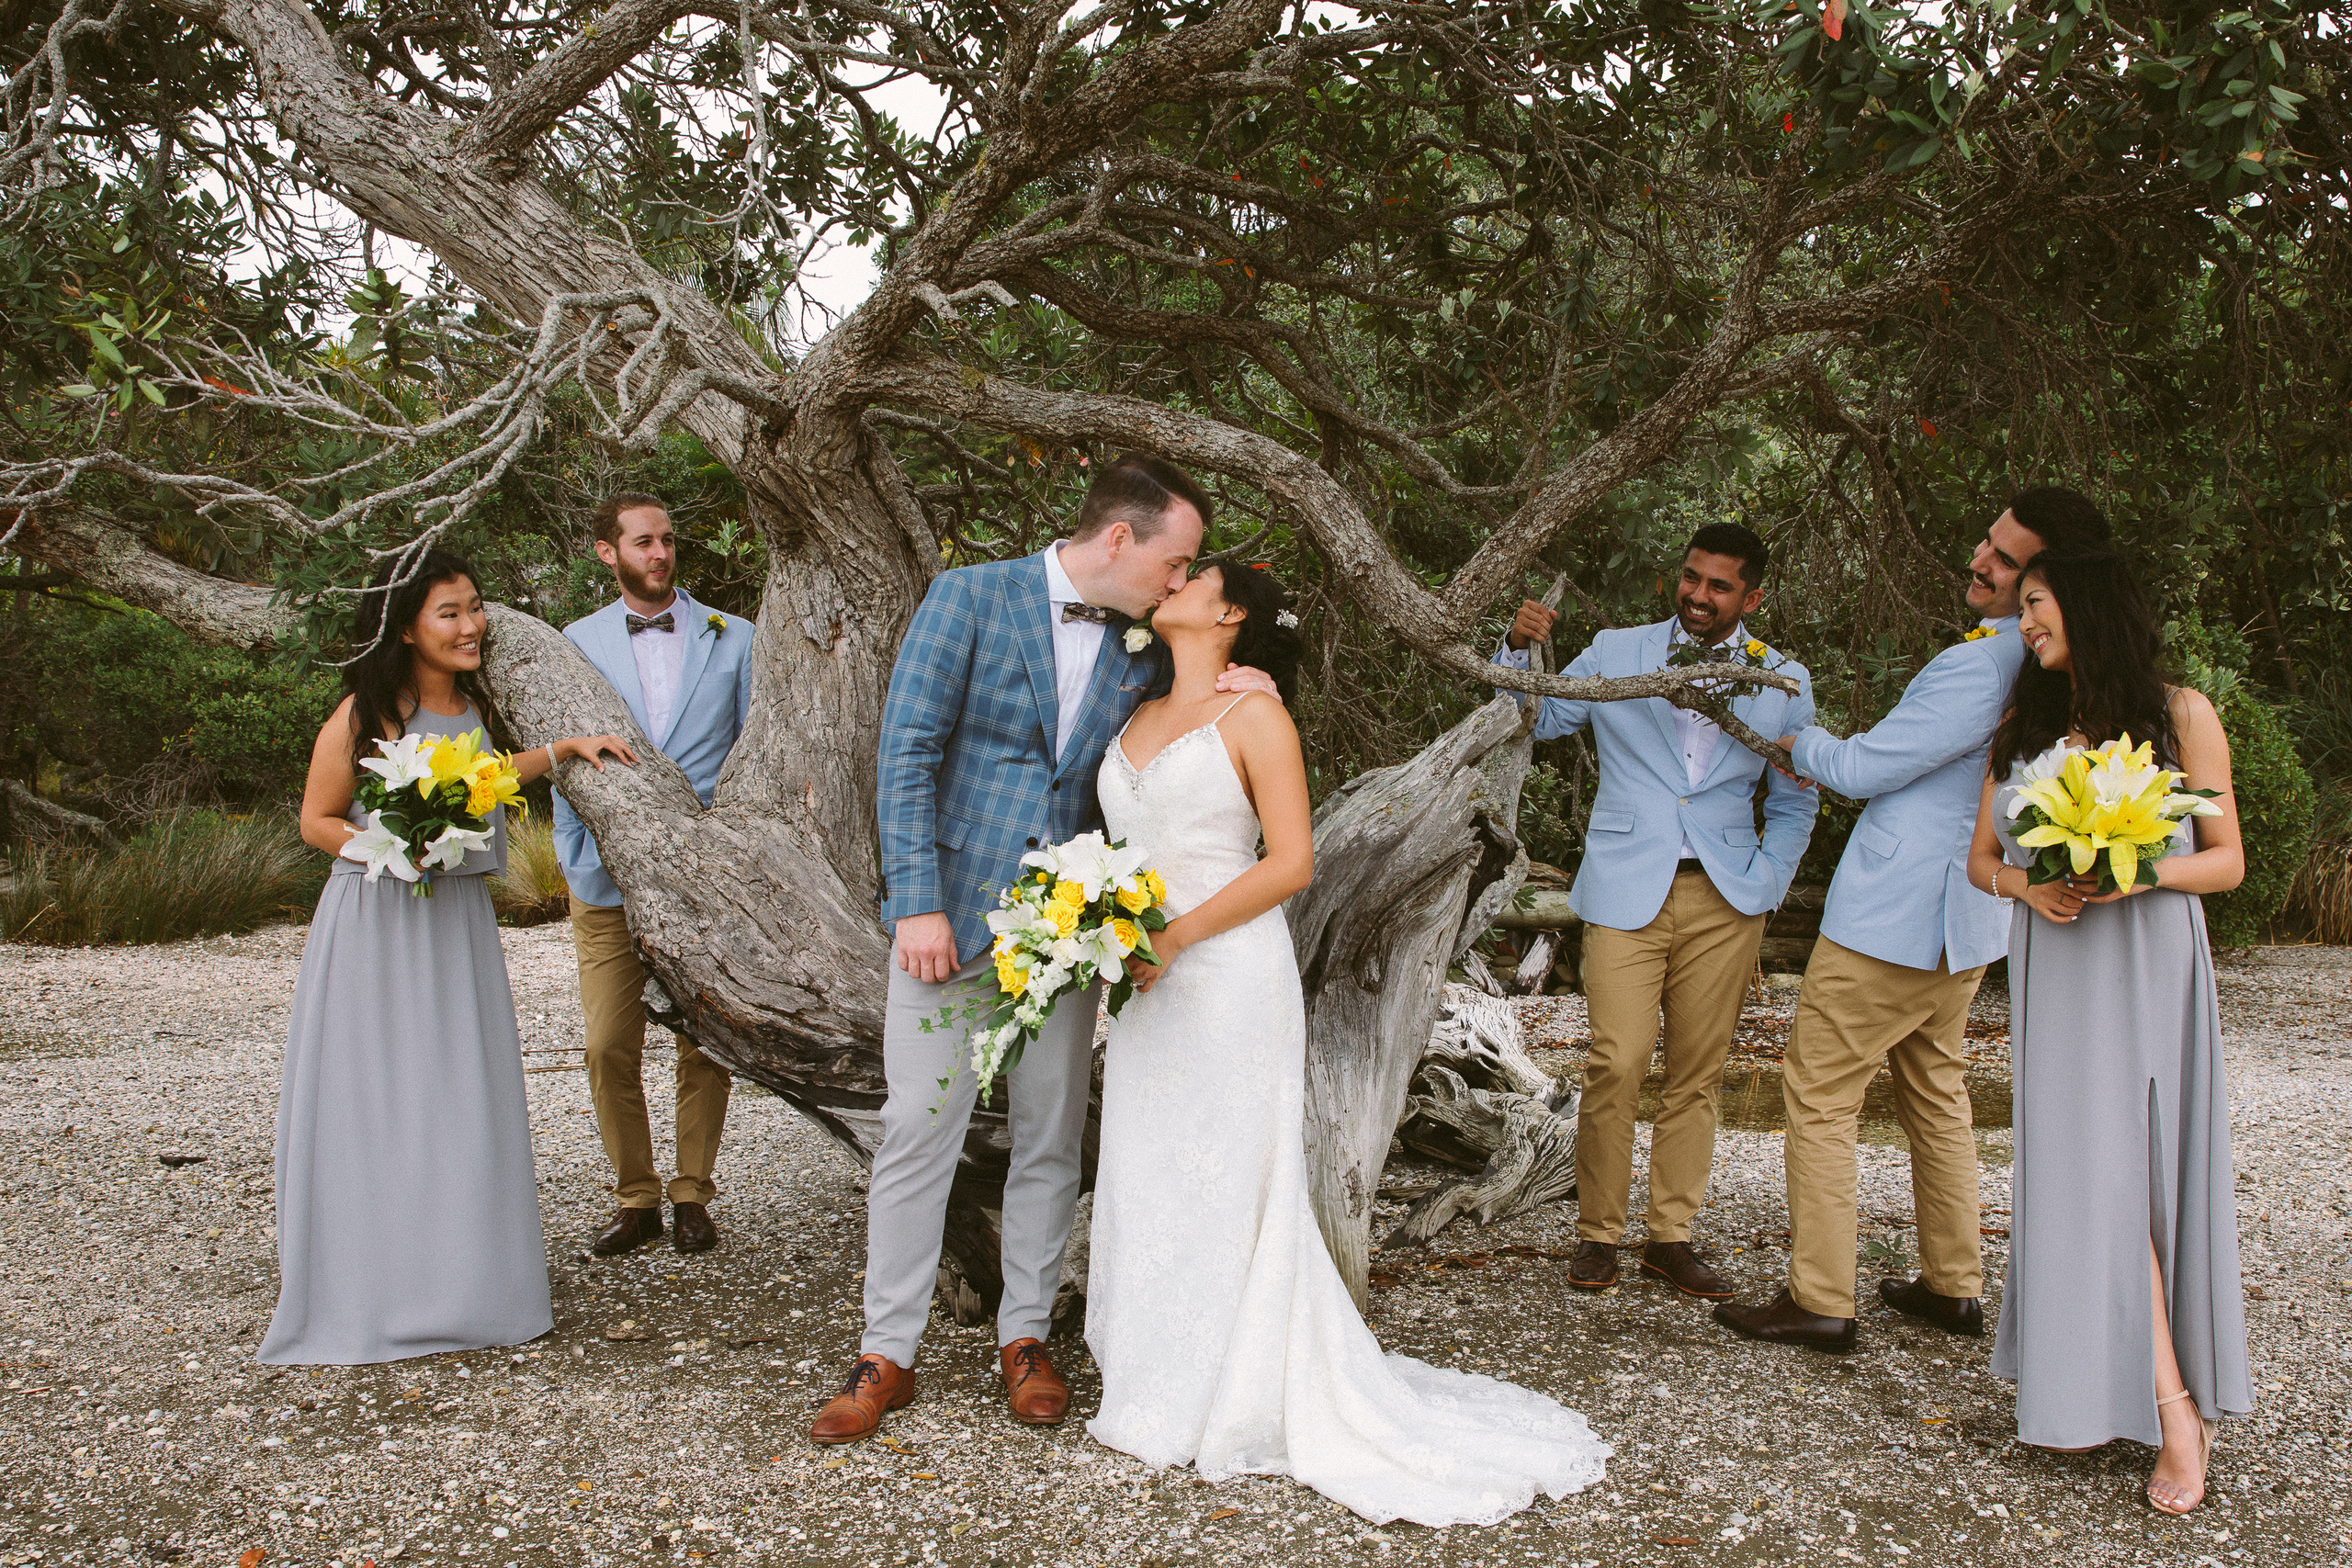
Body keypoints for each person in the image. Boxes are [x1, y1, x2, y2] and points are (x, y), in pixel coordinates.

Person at [1087, 560, 1611, 1523]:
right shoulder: (1130, 704)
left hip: (1224, 975)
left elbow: (1290, 862)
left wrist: (1174, 934)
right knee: (1154, 1162)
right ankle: (1153, 1366)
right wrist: (1106, 930)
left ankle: (1235, 1385)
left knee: (1233, 1170)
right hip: (1145, 978)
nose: (1174, 580)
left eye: (1194, 575)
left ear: (1231, 612)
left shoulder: (1255, 718)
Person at [812, 455, 1276, 1445]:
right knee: (916, 1135)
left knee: (1049, 1138)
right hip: (947, 924)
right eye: (1176, 559)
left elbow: (1197, 721)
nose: (1180, 580)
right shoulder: (967, 597)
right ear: (1120, 540)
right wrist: (916, 904)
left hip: (1065, 938)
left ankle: (1023, 1338)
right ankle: (884, 1350)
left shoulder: (1147, 649)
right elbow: (905, 753)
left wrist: (1252, 677)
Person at [1713, 487, 2111, 1353]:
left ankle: (1820, 1295)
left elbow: (1865, 767)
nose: (1981, 559)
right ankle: (1952, 1284)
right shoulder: (2048, 665)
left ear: (2048, 577)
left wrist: (1802, 745)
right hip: (1964, 922)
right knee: (1936, 1094)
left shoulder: (1984, 664)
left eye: (2007, 560)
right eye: (1987, 542)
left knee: (1816, 1092)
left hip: (1895, 920)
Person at [262, 551, 635, 1364]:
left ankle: (469, 1284)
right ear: (407, 628)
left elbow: (487, 779)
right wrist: (389, 845)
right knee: (380, 1095)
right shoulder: (364, 715)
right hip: (376, 921)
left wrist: (567, 748)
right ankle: (373, 1284)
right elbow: (316, 820)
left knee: (457, 1090)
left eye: (474, 609)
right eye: (449, 613)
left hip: (456, 923)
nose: (471, 626)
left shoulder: (472, 711)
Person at [1965, 547, 2250, 1513]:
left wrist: (2138, 869)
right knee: (2083, 1182)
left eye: (2036, 605)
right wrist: (2027, 885)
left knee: (2129, 1183)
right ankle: (2111, 1389)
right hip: (2057, 964)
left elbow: (2226, 863)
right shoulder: (2022, 724)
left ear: (2084, 606)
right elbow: (1979, 862)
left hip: (2144, 962)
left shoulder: (2182, 715)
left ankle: (2175, 1409)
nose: (2025, 623)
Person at [1498, 524, 1815, 1297]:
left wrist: (1769, 878)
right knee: (1617, 1060)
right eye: (1692, 578)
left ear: (1753, 596)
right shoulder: (1617, 648)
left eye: (1719, 585)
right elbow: (1535, 718)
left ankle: (1670, 1235)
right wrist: (1515, 649)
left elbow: (1797, 795)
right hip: (1625, 884)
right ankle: (1598, 1233)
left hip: (1726, 892)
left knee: (1697, 1074)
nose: (1699, 595)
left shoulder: (1782, 678)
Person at [552, 493, 757, 1258]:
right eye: (644, 542)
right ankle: (634, 1195)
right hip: (603, 879)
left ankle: (692, 1192)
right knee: (609, 1042)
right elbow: (560, 757)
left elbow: (749, 755)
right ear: (608, 552)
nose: (662, 553)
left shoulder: (734, 638)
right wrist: (575, 852)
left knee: (704, 1038)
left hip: (704, 881)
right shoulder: (573, 641)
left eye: (669, 539)